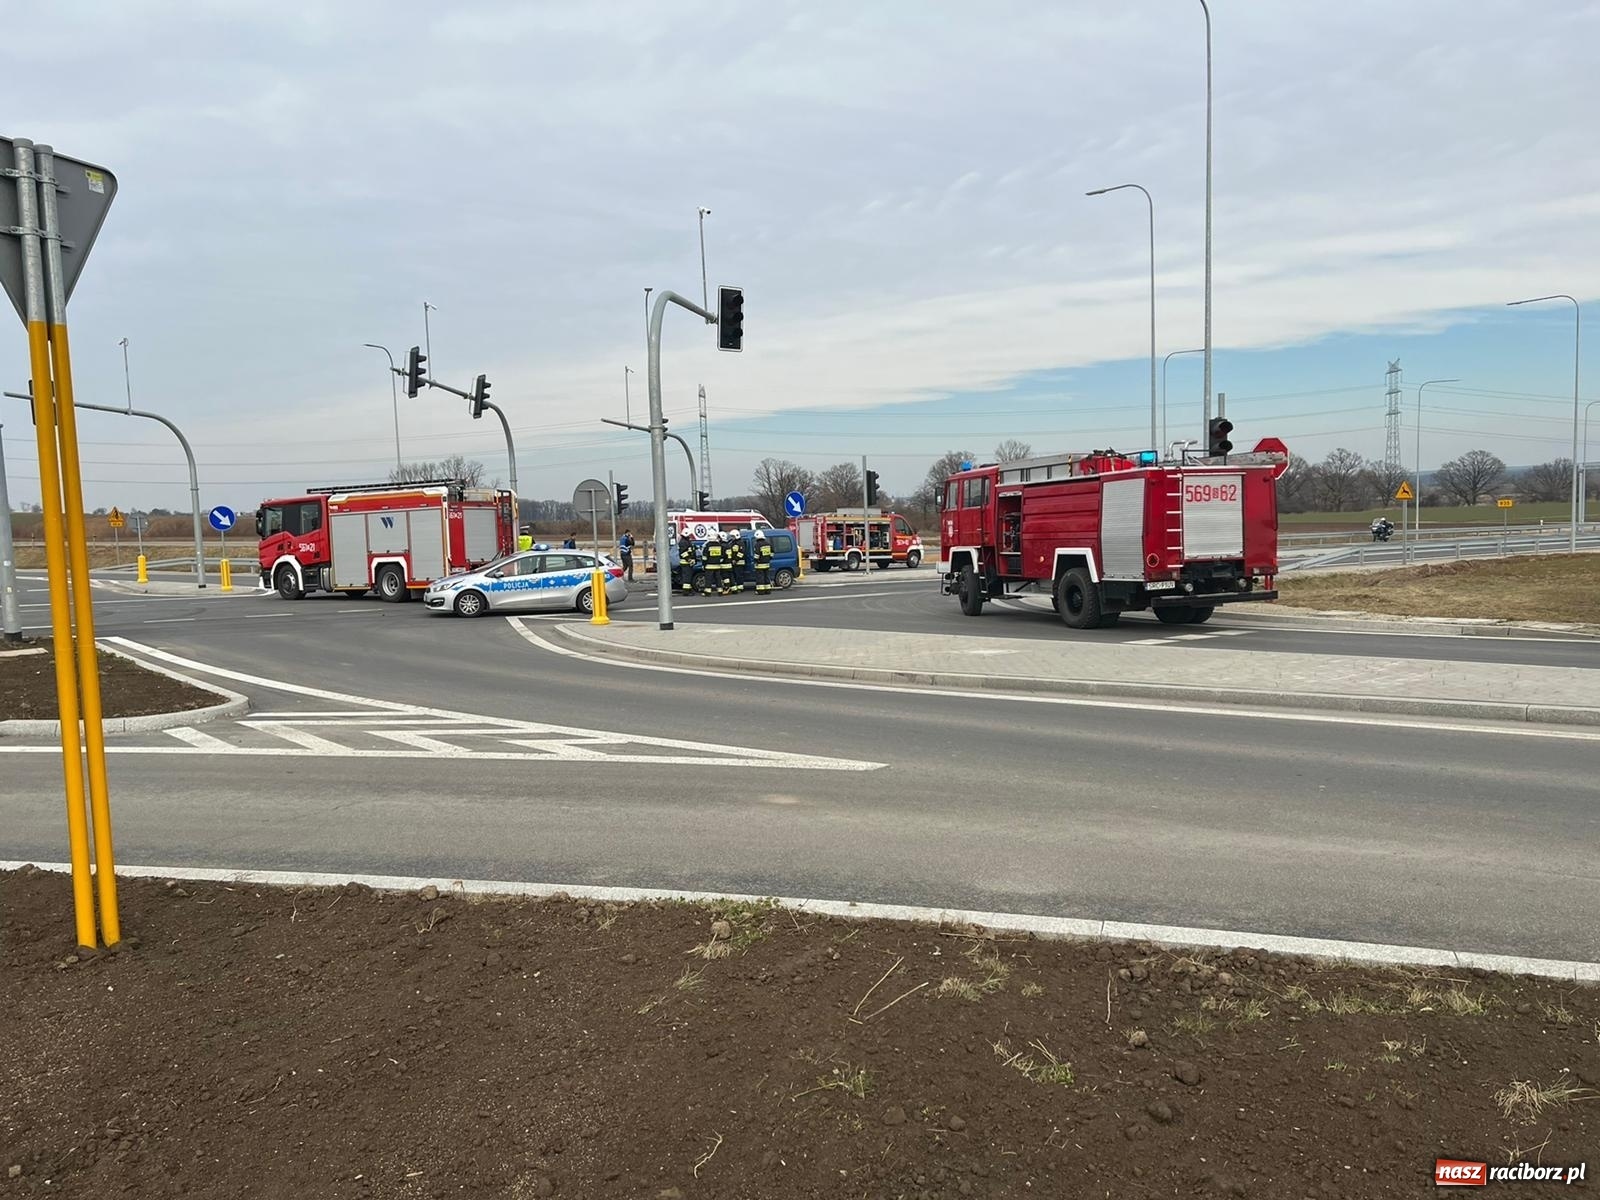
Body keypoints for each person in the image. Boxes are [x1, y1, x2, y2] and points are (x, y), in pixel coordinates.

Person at [754, 529, 774, 594]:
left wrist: (756, 560)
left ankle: (760, 591)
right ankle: (768, 590)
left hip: (760, 564)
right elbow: (772, 553)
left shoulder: (757, 544)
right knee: (767, 577)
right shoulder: (768, 544)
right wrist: (769, 558)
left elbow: (757, 555)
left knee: (760, 578)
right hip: (767, 563)